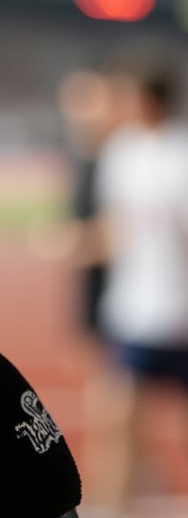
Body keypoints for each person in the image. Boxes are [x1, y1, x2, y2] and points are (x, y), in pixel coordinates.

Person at [77, 52, 188, 513]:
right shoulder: (121, 154)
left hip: (181, 313)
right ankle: (110, 507)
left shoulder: (181, 155)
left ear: (146, 99)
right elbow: (115, 228)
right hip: (133, 312)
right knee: (115, 419)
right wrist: (82, 245)